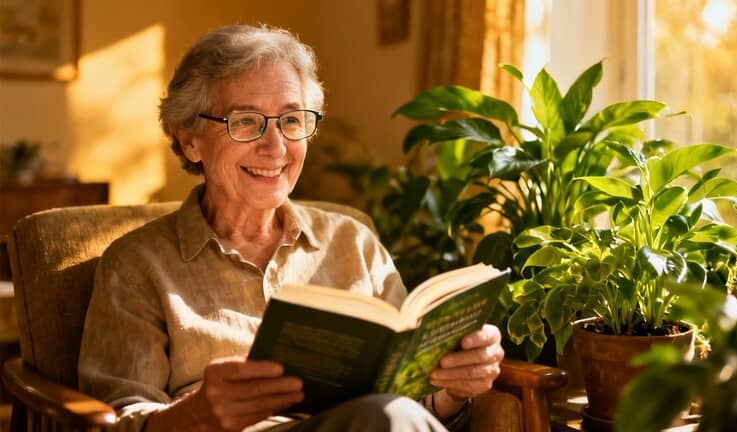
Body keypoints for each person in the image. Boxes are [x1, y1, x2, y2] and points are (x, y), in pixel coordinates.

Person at [78, 24, 505, 432]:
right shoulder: (137, 265)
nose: (276, 146)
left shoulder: (354, 242)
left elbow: (406, 401)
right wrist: (196, 415)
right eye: (245, 121)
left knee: (384, 416)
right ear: (190, 139)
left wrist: (450, 388)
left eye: (292, 120)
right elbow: (112, 421)